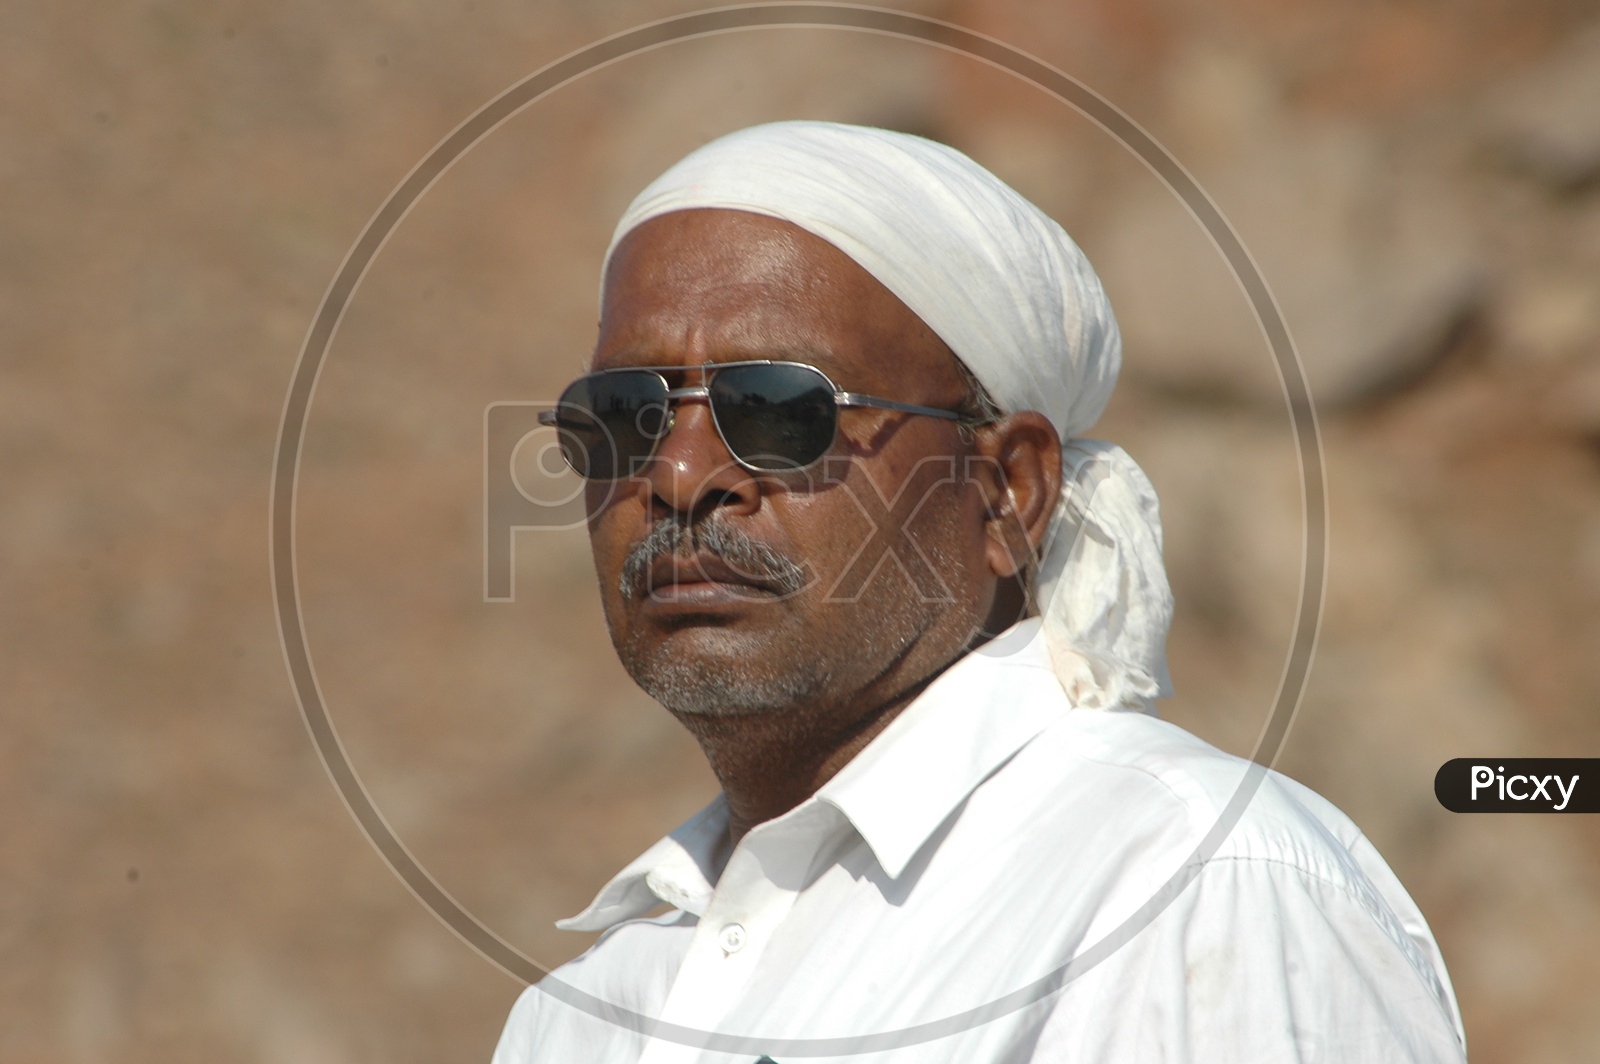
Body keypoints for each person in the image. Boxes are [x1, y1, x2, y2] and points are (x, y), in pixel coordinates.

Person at [492, 121, 1468, 1063]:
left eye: (778, 410)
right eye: (623, 416)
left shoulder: (1184, 888)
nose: (677, 476)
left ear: (1009, 489)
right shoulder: (584, 1012)